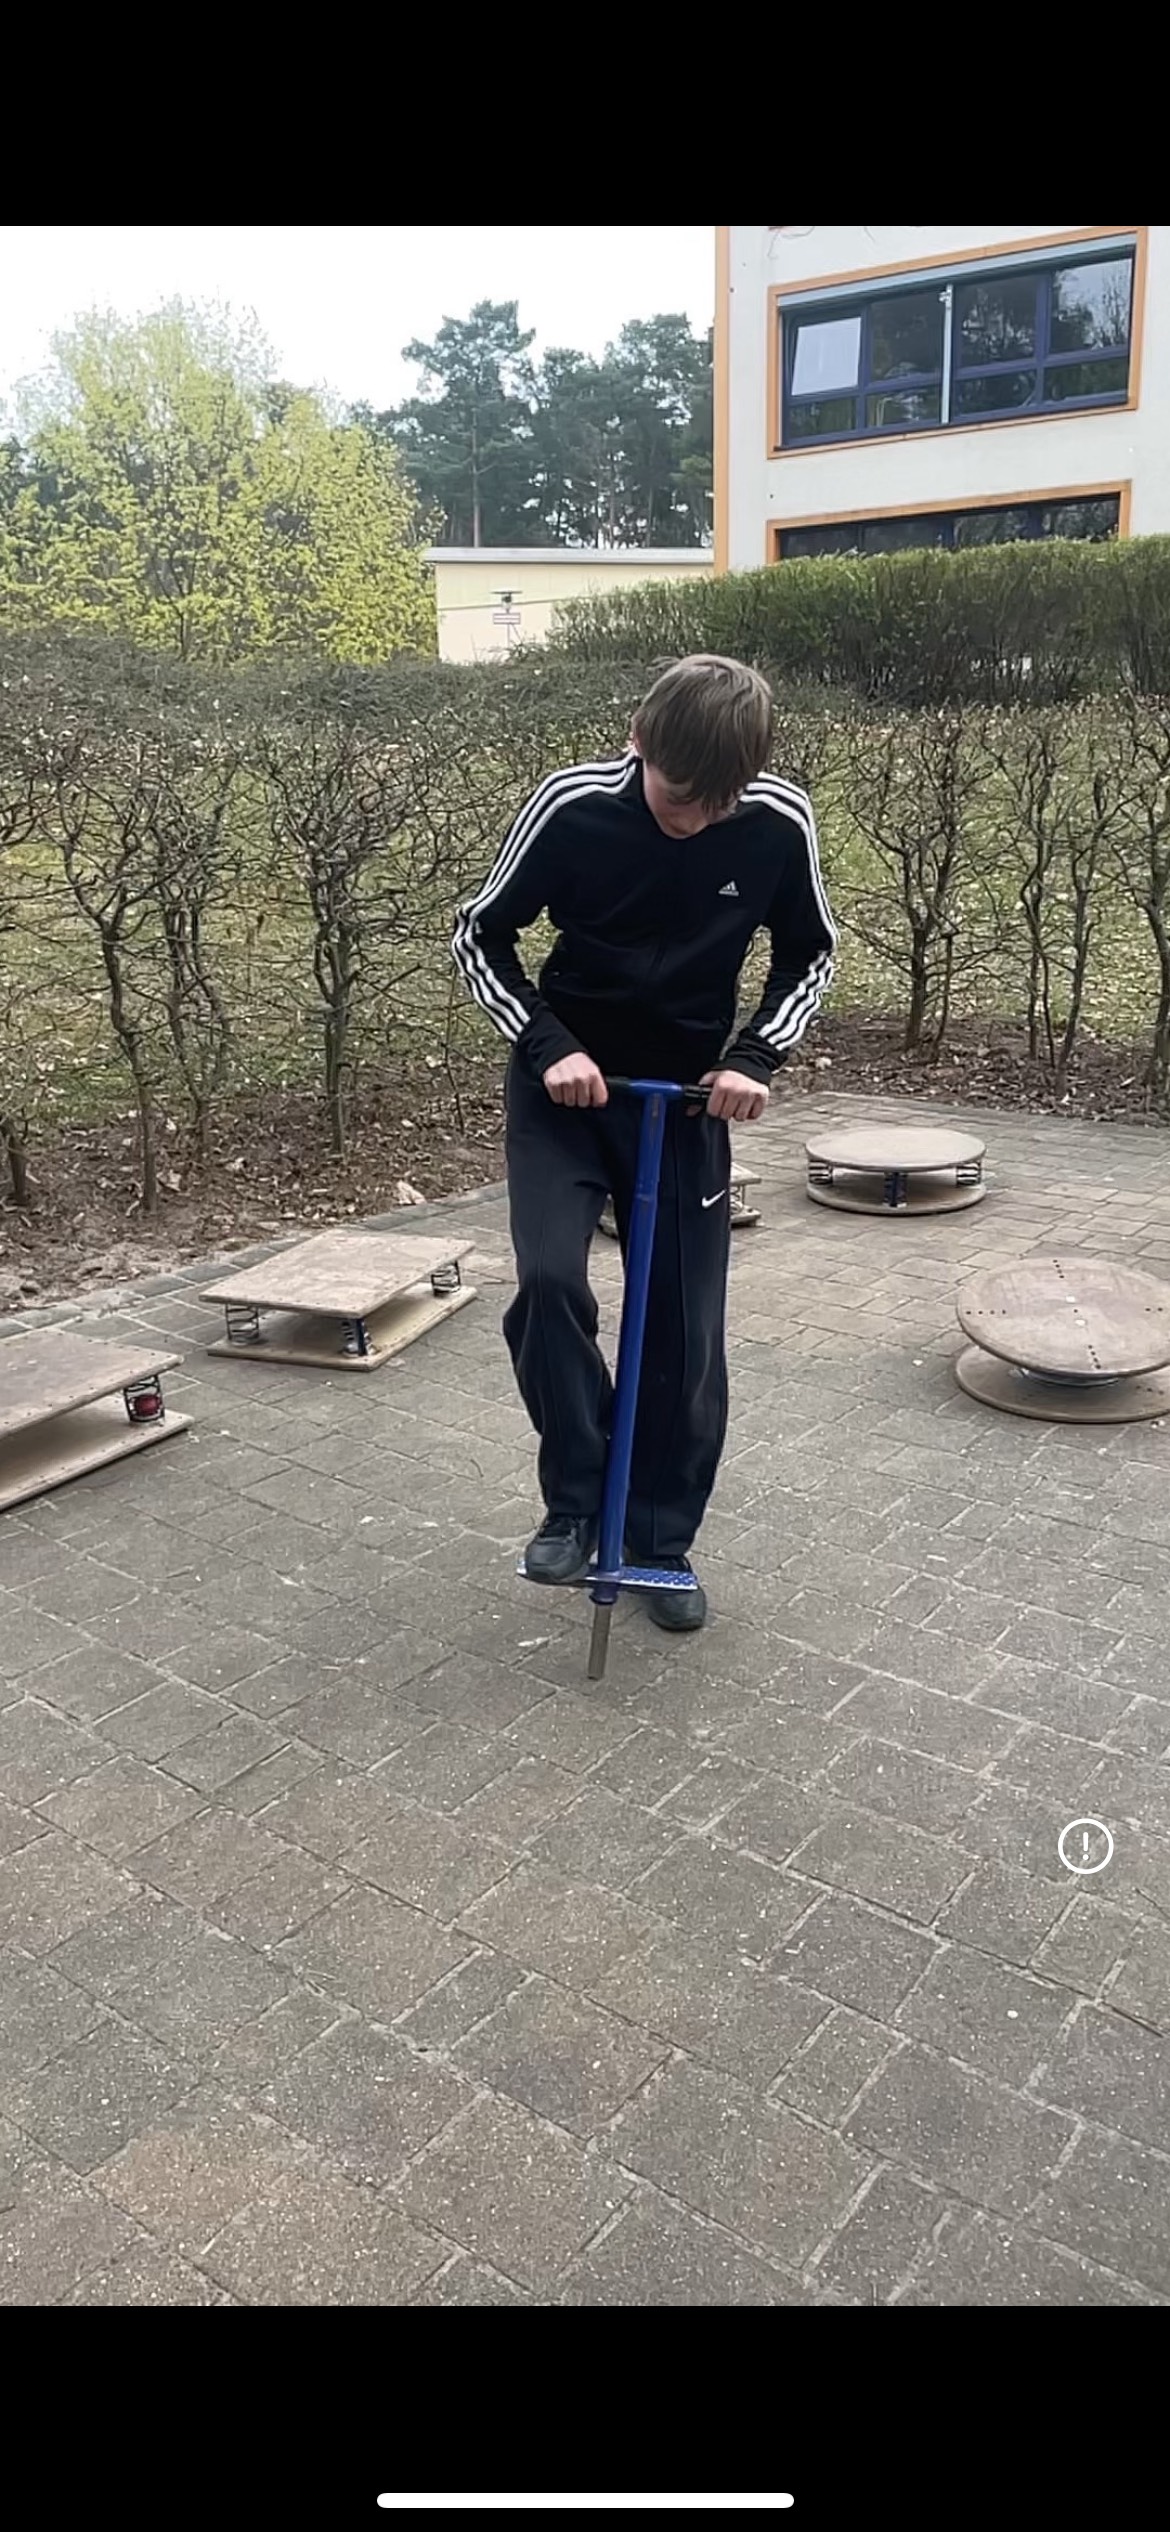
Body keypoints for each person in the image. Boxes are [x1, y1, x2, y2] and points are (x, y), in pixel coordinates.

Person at [452, 653, 835, 1631]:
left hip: (690, 1100)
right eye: (676, 796)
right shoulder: (572, 806)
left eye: (716, 804)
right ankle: (580, 1501)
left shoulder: (778, 820)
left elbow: (810, 953)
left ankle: (659, 1541)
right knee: (548, 1283)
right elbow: (480, 936)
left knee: (682, 1330)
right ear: (637, 742)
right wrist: (550, 1047)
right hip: (568, 1090)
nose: (693, 820)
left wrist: (754, 1057)